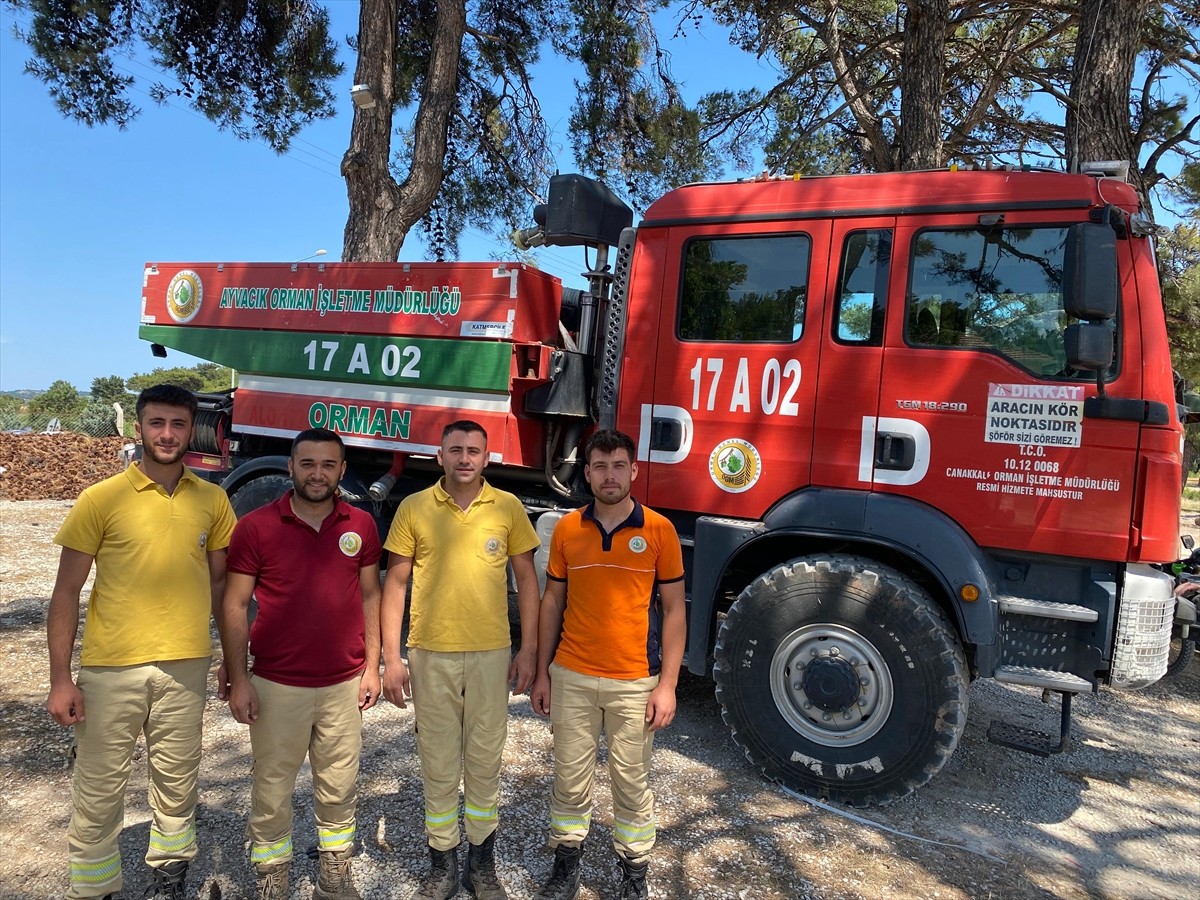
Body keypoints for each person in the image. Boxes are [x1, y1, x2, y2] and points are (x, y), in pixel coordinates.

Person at [46, 383, 237, 900]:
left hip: (186, 665)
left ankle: (168, 882)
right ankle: (94, 889)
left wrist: (232, 664)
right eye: (157, 423)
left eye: (178, 424)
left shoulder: (213, 500)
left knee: (177, 784)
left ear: (190, 429)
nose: (168, 434)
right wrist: (61, 678)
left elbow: (223, 588)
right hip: (112, 669)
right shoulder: (101, 500)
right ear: (139, 427)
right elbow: (65, 592)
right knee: (99, 788)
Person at [381, 420, 541, 900]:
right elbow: (395, 584)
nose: (465, 458)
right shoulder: (414, 508)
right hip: (429, 652)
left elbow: (528, 583)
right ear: (440, 456)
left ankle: (482, 864)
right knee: (437, 759)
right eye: (456, 450)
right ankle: (442, 864)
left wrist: (529, 649)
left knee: (486, 759)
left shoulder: (508, 508)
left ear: (486, 458)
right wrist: (392, 658)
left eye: (474, 450)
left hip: (491, 653)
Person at [219, 428, 382, 900]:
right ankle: (273, 875)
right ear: (290, 467)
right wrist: (239, 677)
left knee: (339, 786)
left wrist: (373, 666)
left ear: (342, 471)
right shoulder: (256, 527)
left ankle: (334, 874)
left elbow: (371, 593)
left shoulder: (361, 526)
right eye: (307, 463)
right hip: (275, 683)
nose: (317, 473)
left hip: (343, 683)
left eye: (328, 464)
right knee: (271, 789)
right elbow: (234, 605)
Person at [530, 429, 686, 900]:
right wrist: (542, 673)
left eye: (619, 465)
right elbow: (551, 602)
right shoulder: (568, 530)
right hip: (572, 675)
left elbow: (675, 609)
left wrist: (669, 686)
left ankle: (633, 870)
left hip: (636, 680)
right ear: (588, 473)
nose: (610, 475)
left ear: (634, 471)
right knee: (569, 779)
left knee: (631, 781)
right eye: (600, 467)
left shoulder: (659, 530)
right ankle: (566, 865)